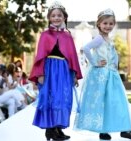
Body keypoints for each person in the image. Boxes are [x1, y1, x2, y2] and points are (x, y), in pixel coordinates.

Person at [74, 9, 131, 141]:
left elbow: (112, 55)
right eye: (105, 23)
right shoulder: (99, 38)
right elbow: (86, 48)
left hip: (111, 75)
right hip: (102, 76)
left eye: (111, 23)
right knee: (104, 102)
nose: (108, 26)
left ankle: (124, 129)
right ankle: (105, 131)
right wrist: (94, 62)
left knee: (117, 101)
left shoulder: (108, 39)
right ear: (99, 24)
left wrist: (115, 67)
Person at [29, 1, 82, 140]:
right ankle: (50, 129)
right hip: (50, 70)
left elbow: (72, 57)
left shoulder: (68, 35)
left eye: (59, 15)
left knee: (63, 99)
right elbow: (40, 55)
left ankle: (59, 128)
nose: (57, 18)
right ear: (49, 18)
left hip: (64, 71)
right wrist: (40, 73)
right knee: (50, 98)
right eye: (53, 15)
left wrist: (75, 74)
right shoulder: (45, 35)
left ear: (64, 17)